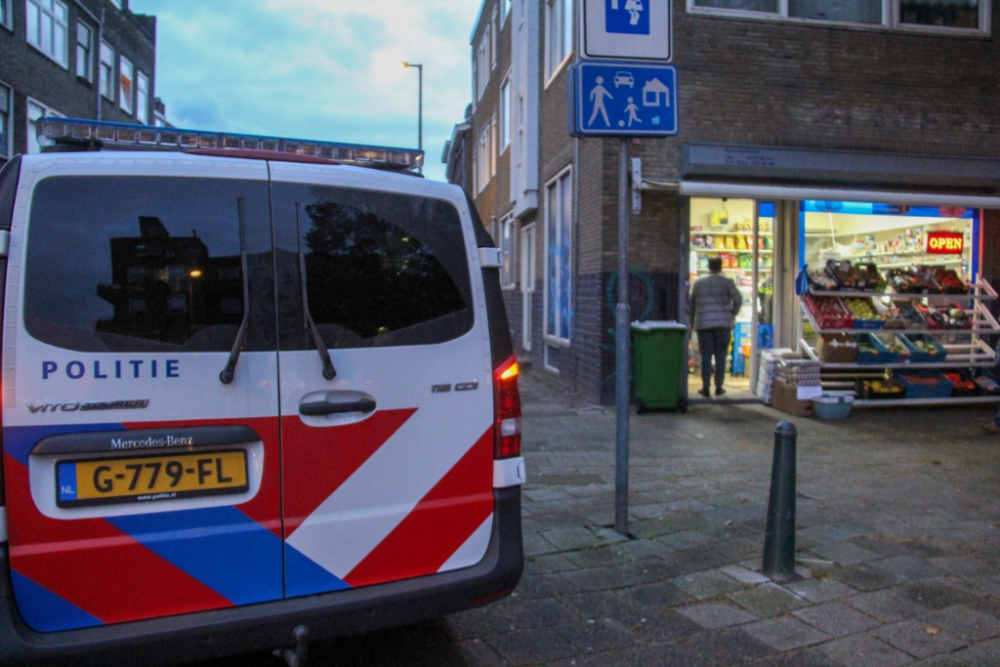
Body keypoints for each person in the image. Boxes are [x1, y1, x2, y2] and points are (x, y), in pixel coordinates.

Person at [689, 257, 743, 398]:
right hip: (723, 324)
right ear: (720, 266)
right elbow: (738, 299)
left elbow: (691, 303)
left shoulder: (698, 282)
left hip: (704, 324)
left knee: (705, 356)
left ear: (708, 266)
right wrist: (732, 313)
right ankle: (719, 386)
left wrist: (692, 321)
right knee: (721, 356)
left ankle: (705, 387)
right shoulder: (727, 281)